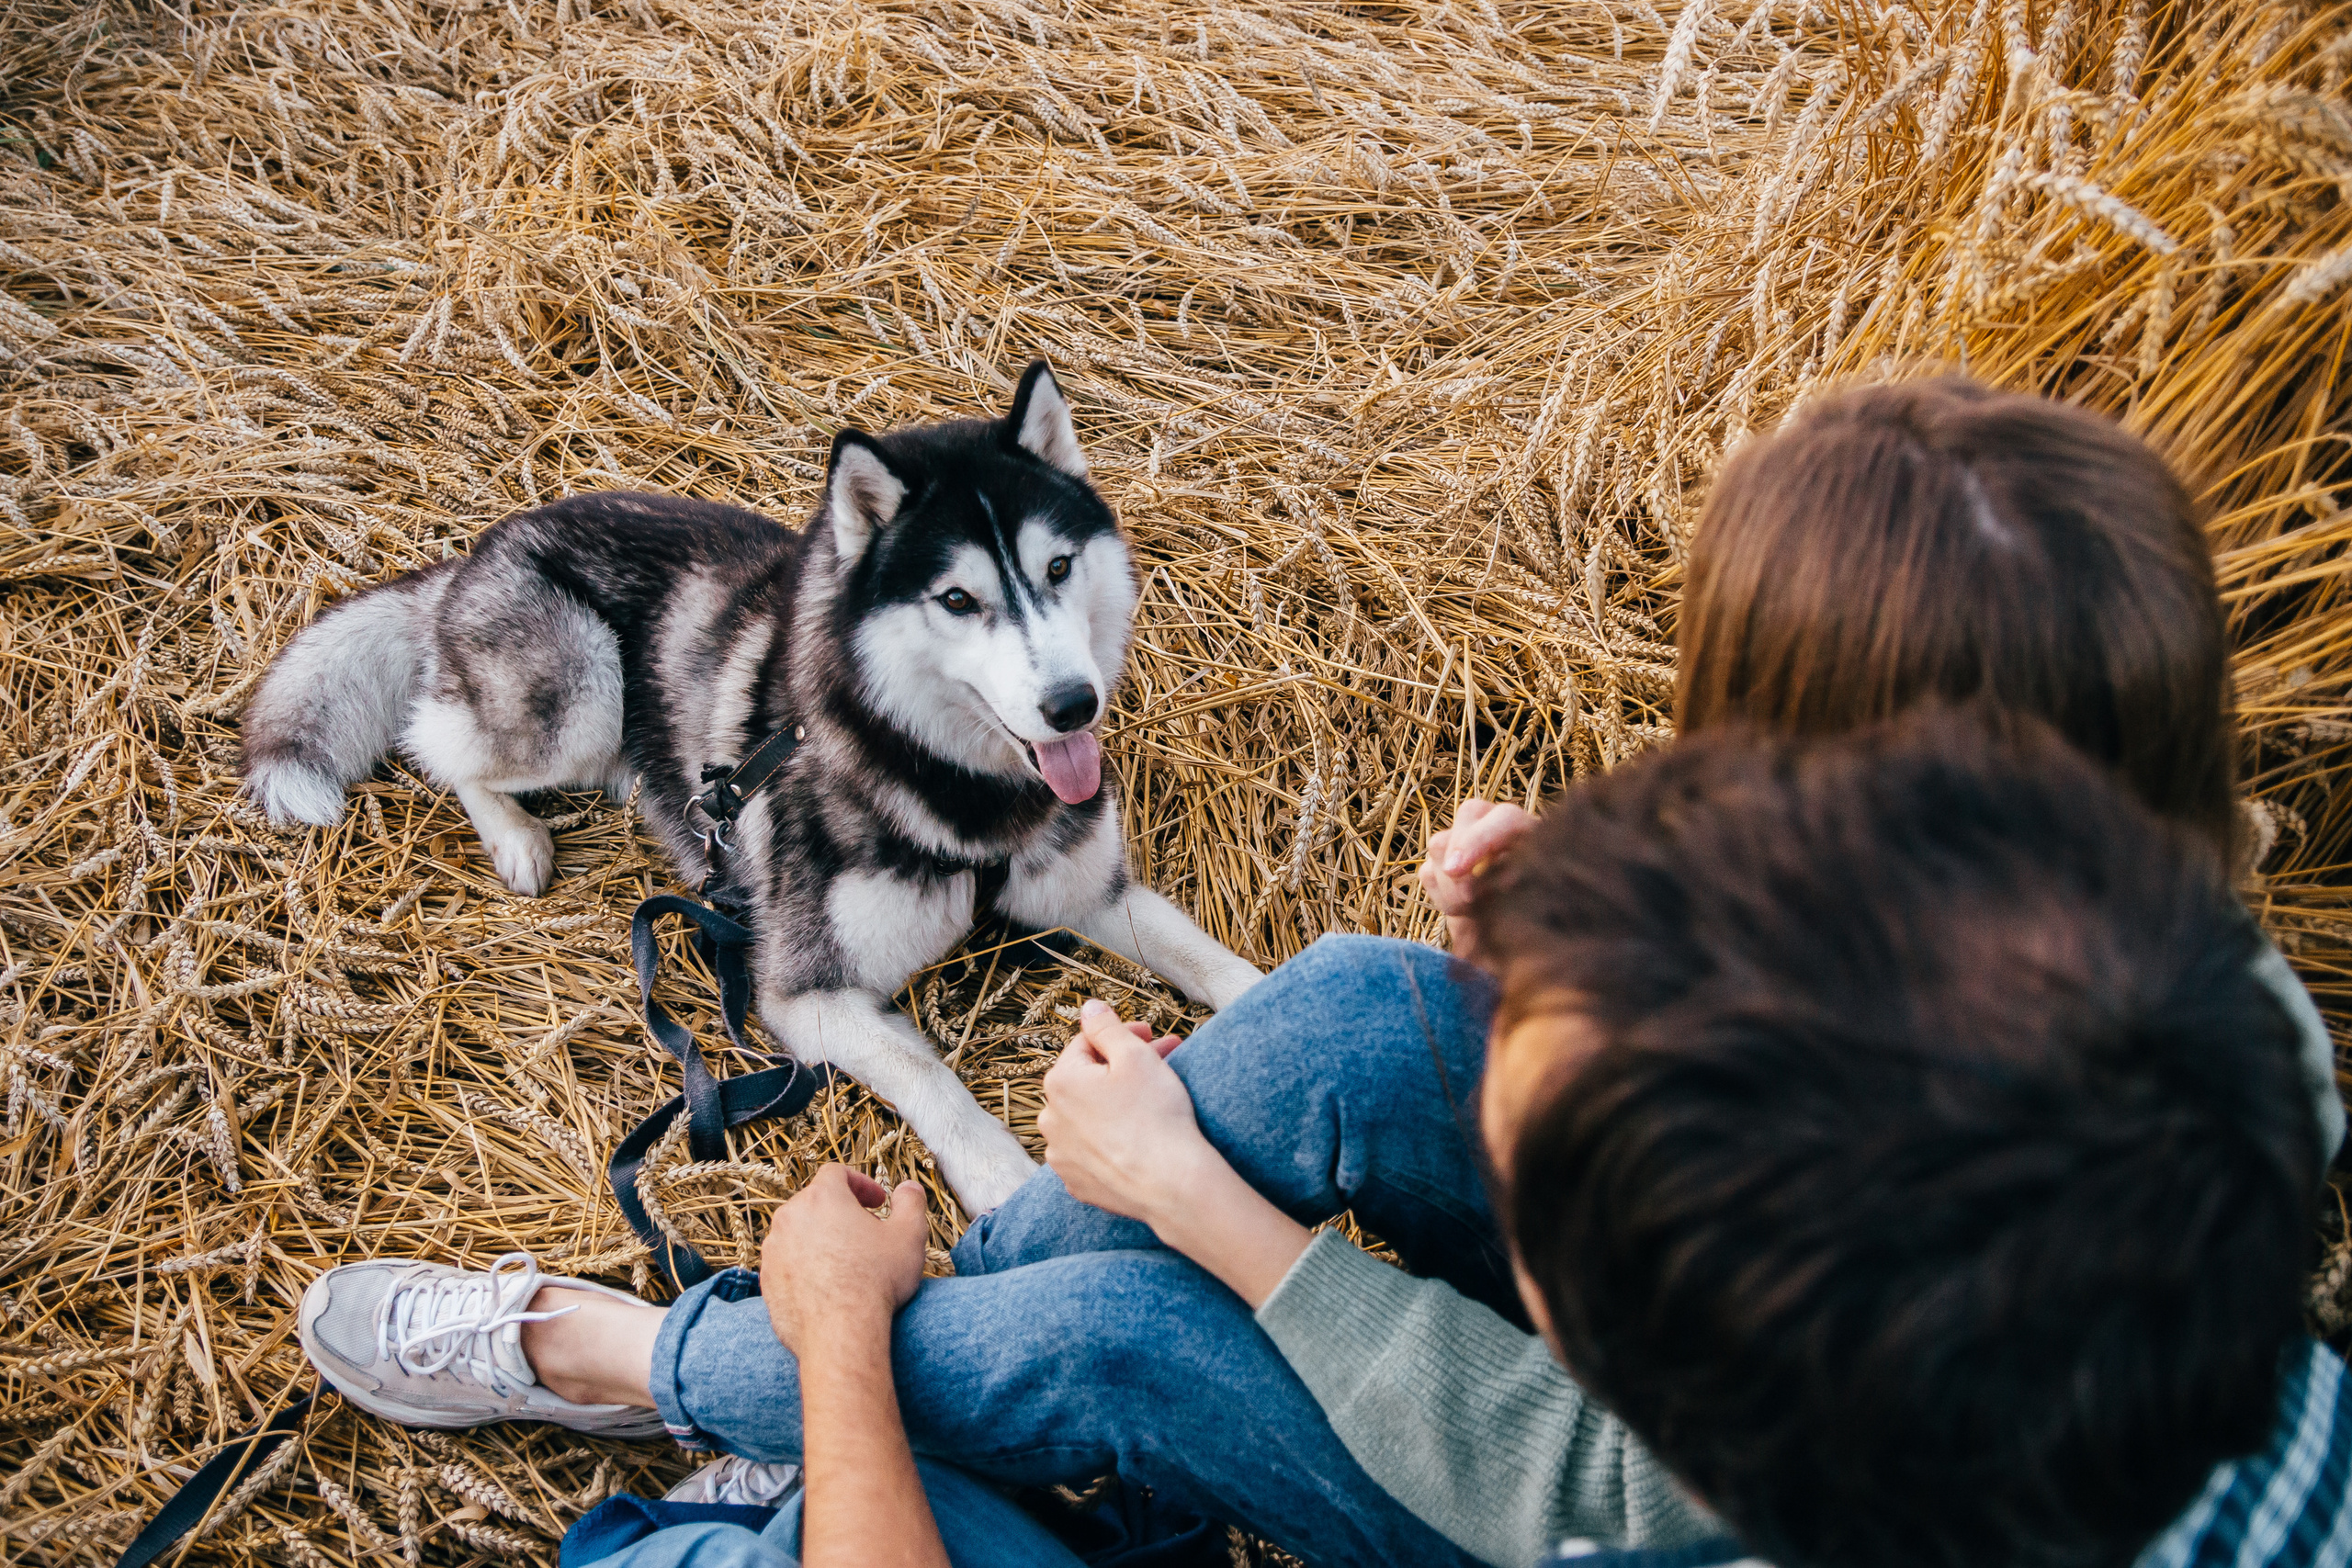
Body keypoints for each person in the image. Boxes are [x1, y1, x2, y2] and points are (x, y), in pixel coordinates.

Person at [297, 377, 2345, 1566]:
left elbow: (1585, 1469)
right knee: (1362, 1004)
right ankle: (917, 1327)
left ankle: (650, 1362)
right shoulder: (2184, 989)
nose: (1710, 782)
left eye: (1746, 751)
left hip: (1609, 1503)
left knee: (1112, 1330)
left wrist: (1197, 1206)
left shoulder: (1832, 1367)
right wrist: (1588, 901)